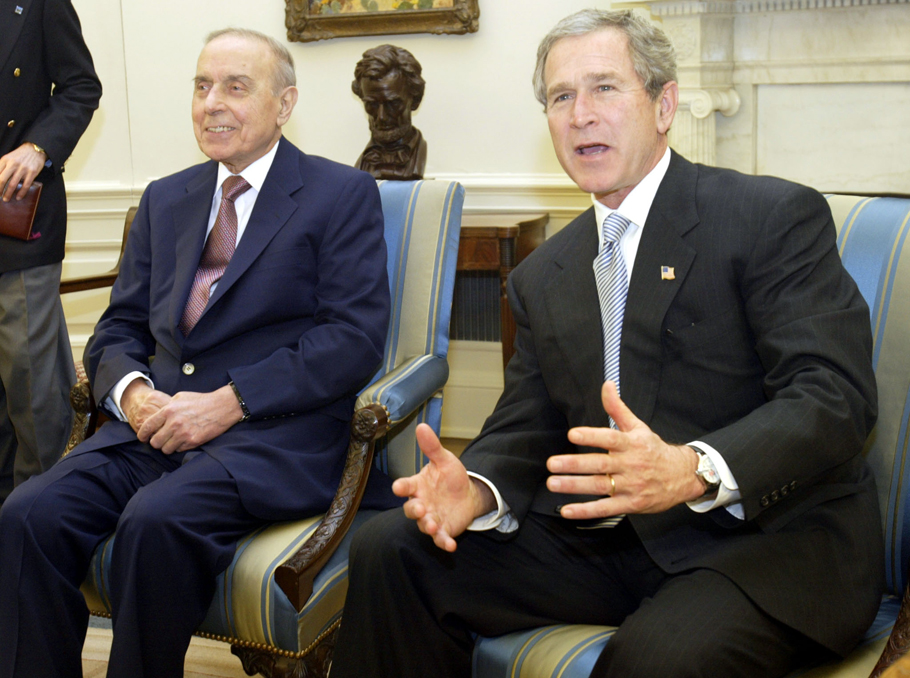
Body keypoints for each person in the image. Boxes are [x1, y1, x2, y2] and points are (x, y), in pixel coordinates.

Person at [330, 9, 883, 678]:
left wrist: (695, 468)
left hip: (762, 545)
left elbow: (833, 398)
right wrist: (474, 489)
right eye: (561, 97)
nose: (580, 115)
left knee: (656, 659)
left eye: (604, 88)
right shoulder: (545, 273)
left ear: (664, 104)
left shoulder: (769, 217)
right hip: (606, 544)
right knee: (393, 550)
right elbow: (527, 427)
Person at [0, 27, 398, 678]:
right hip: (149, 433)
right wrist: (131, 393)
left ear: (285, 103)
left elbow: (351, 340)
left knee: (154, 524)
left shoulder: (339, 195)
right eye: (202, 85)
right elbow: (119, 326)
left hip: (268, 437)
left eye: (236, 87)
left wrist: (230, 402)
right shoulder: (167, 198)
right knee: (27, 514)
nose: (212, 102)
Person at [0, 0, 101, 503]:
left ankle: (42, 511)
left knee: (30, 377)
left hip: (15, 215)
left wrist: (38, 147)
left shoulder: (40, 4)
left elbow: (82, 86)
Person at [352, 44, 427, 180]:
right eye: (372, 105)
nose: (381, 117)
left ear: (415, 100)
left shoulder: (417, 155)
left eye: (392, 104)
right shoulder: (361, 167)